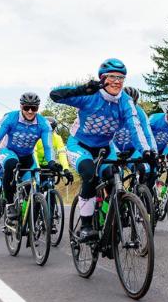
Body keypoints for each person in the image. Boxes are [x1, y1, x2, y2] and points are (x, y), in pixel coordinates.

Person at [50, 58, 152, 240]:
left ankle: (109, 218)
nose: (117, 81)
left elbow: (135, 126)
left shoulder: (125, 101)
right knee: (89, 173)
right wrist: (81, 89)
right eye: (112, 76)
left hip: (105, 147)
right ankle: (86, 225)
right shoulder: (90, 95)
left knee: (115, 176)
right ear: (102, 78)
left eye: (121, 78)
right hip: (79, 145)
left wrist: (146, 151)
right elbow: (54, 95)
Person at [0, 92, 60, 221]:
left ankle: (27, 220)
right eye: (27, 107)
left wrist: (51, 162)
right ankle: (10, 204)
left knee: (33, 188)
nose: (30, 111)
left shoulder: (43, 123)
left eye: (34, 108)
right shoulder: (11, 117)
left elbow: (48, 146)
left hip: (27, 156)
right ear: (21, 106)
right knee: (11, 164)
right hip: (9, 152)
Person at [113, 87, 157, 192]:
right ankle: (108, 202)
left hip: (131, 150)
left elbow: (147, 133)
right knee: (116, 174)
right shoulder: (112, 110)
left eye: (133, 103)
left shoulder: (139, 112)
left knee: (142, 169)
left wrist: (152, 151)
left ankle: (132, 196)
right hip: (114, 149)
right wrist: (117, 152)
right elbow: (106, 137)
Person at [34, 116, 73, 183]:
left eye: (51, 130)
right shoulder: (36, 137)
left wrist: (66, 169)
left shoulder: (57, 138)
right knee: (35, 184)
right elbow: (34, 152)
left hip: (49, 164)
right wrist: (37, 167)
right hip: (36, 163)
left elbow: (62, 154)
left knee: (49, 185)